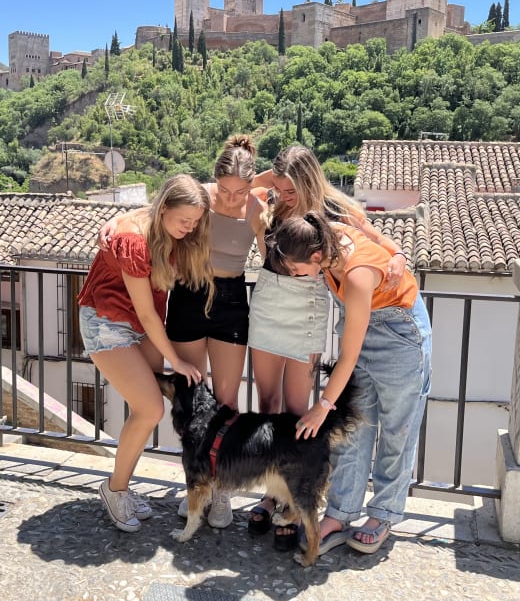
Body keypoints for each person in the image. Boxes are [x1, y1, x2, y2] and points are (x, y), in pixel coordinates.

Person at [99, 135, 266, 529]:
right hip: (189, 294)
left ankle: (221, 490)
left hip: (230, 301)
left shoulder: (257, 207)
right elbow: (162, 209)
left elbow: (273, 252)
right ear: (215, 182)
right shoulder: (202, 198)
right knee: (191, 398)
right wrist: (117, 219)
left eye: (240, 191)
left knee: (225, 401)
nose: (229, 198)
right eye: (224, 189)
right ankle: (197, 486)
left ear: (251, 185)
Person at [246, 145, 408, 547]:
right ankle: (271, 490)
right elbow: (239, 186)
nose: (283, 197)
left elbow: (380, 240)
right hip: (269, 304)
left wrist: (399, 254)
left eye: (290, 189)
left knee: (298, 409)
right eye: (279, 189)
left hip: (308, 307)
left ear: (307, 180)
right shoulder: (271, 203)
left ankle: (293, 499)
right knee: (267, 403)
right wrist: (276, 175)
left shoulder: (335, 211)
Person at [269, 211, 432, 556]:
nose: (295, 276)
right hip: (363, 328)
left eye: (296, 270)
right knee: (353, 429)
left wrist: (323, 406)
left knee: (397, 430)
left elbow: (348, 357)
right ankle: (341, 514)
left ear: (315, 257)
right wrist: (397, 253)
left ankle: (383, 514)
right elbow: (377, 234)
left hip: (398, 335)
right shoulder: (326, 235)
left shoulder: (357, 275)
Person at [78, 174, 213, 533]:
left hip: (138, 323)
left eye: (196, 221)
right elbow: (150, 314)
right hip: (107, 322)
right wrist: (178, 361)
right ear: (164, 207)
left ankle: (121, 487)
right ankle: (114, 489)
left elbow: (216, 189)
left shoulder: (159, 220)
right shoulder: (133, 240)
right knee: (151, 408)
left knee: (145, 410)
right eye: (185, 220)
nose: (190, 227)